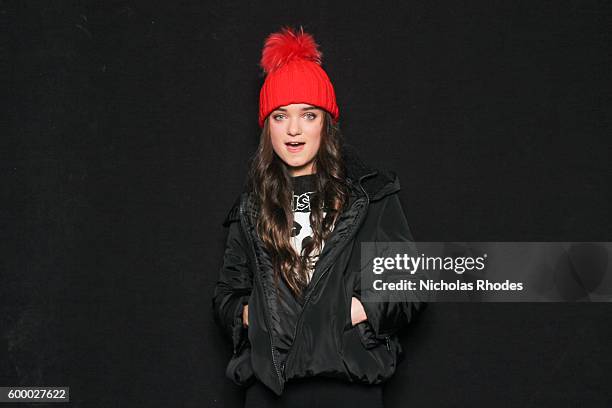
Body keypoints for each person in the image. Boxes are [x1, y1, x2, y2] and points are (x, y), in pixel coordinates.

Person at [212, 26, 425, 408]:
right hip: (269, 389)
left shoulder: (371, 195)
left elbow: (409, 282)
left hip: (349, 386)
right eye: (280, 116)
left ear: (325, 121)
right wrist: (254, 316)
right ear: (267, 127)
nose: (293, 130)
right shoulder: (250, 207)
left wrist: (350, 312)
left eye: (307, 115)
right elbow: (227, 295)